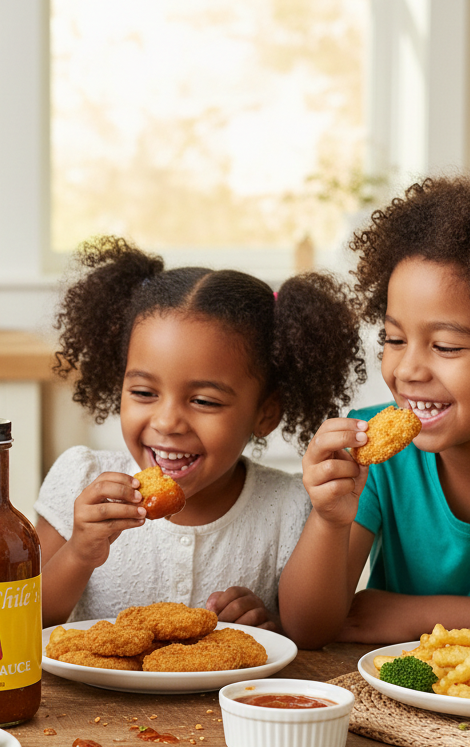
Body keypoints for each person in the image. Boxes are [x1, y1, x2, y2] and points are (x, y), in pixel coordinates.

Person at [36, 236, 364, 628]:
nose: (166, 422)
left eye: (204, 401)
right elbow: (22, 618)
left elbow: (312, 632)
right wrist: (79, 552)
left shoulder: (289, 506)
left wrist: (269, 621)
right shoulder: (81, 479)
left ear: (266, 413)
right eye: (144, 393)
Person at [280, 173, 470, 647]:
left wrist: (418, 615)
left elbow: (375, 619)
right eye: (394, 339)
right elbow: (308, 629)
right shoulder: (375, 453)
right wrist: (329, 519)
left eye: (446, 346)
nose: (407, 369)